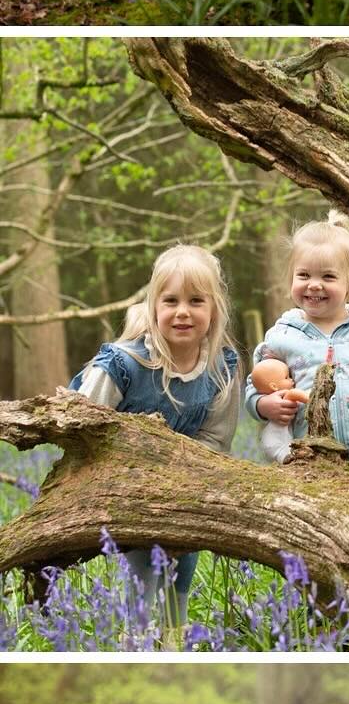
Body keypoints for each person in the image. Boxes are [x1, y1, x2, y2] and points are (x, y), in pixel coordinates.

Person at [68, 242, 242, 626]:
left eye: (196, 301)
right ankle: (140, 643)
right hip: (124, 486)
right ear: (154, 308)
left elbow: (216, 440)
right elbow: (80, 426)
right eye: (171, 301)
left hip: (186, 488)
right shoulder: (124, 365)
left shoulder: (221, 368)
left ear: (214, 310)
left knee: (181, 570)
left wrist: (188, 484)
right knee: (145, 578)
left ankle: (174, 640)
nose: (183, 311)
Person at [248, 211, 349, 477]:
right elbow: (257, 383)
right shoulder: (283, 335)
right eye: (303, 275)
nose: (314, 285)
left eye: (328, 277)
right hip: (309, 455)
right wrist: (263, 405)